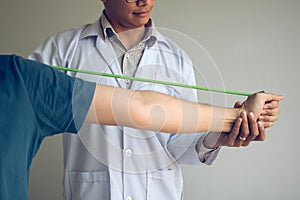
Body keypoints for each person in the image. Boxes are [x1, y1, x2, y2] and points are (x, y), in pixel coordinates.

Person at [28, 0, 282, 199]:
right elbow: (22, 102)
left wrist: (217, 136)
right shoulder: (64, 50)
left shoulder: (176, 58)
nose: (144, 2)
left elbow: (180, 141)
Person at [0, 54, 283, 200]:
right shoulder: (41, 62)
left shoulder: (17, 77)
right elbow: (143, 108)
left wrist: (225, 129)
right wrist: (238, 115)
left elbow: (154, 118)